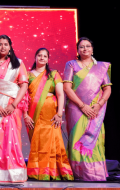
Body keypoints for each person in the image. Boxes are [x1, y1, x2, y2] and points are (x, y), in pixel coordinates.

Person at [0, 35, 29, 183]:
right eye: (0, 44)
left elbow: (24, 85)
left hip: (12, 107)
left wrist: (13, 105)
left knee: (12, 139)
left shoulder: (18, 64)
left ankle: (16, 174)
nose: (2, 47)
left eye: (5, 44)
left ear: (10, 47)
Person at [63, 37, 111, 181]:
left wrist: (99, 104)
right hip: (75, 108)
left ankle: (96, 174)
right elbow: (67, 87)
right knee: (76, 139)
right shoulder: (71, 64)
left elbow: (107, 89)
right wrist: (82, 106)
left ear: (92, 49)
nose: (85, 49)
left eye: (88, 46)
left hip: (95, 110)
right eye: (82, 47)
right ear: (77, 50)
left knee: (95, 140)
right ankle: (78, 173)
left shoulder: (101, 67)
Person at [24, 48, 74, 180]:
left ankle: (52, 171)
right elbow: (23, 96)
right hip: (33, 114)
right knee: (37, 143)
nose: (42, 58)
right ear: (35, 57)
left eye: (44, 56)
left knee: (53, 142)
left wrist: (59, 114)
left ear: (48, 59)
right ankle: (37, 172)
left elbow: (60, 94)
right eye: (39, 55)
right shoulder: (27, 75)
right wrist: (25, 114)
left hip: (51, 115)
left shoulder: (53, 74)